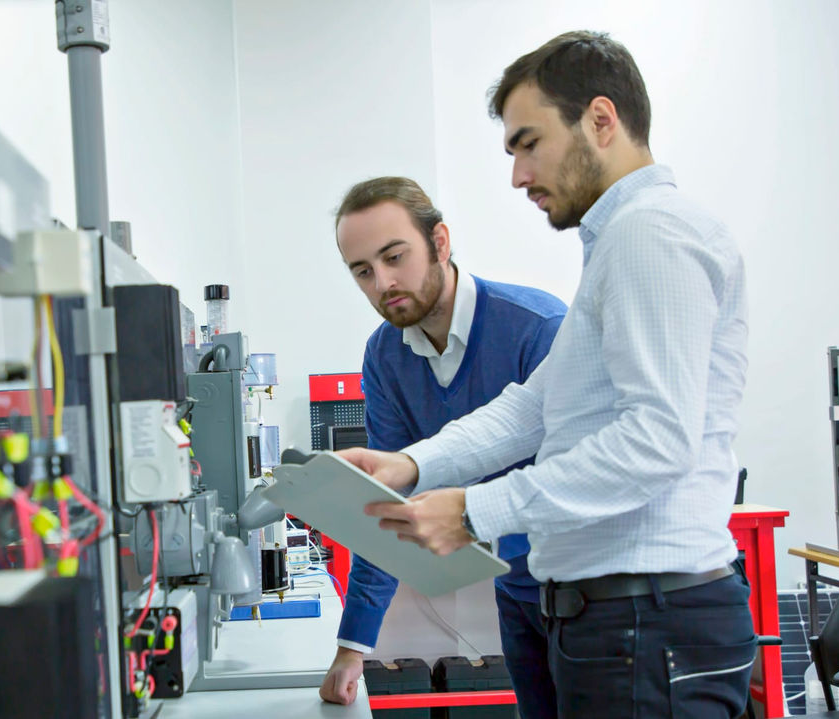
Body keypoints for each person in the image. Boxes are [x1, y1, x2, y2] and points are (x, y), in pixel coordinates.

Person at [340, 32, 754, 718]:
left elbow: (657, 440)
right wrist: (409, 464)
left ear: (600, 119)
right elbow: (531, 407)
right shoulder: (619, 244)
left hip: (645, 623)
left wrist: (477, 510)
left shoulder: (649, 235)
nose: (518, 175)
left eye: (528, 143)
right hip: (619, 623)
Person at [318, 176, 566, 718]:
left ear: (441, 242)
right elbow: (385, 506)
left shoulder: (538, 329)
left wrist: (471, 512)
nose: (382, 282)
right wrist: (353, 645)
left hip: (586, 595)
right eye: (362, 271)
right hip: (519, 595)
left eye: (394, 256)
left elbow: (579, 475)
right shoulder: (386, 356)